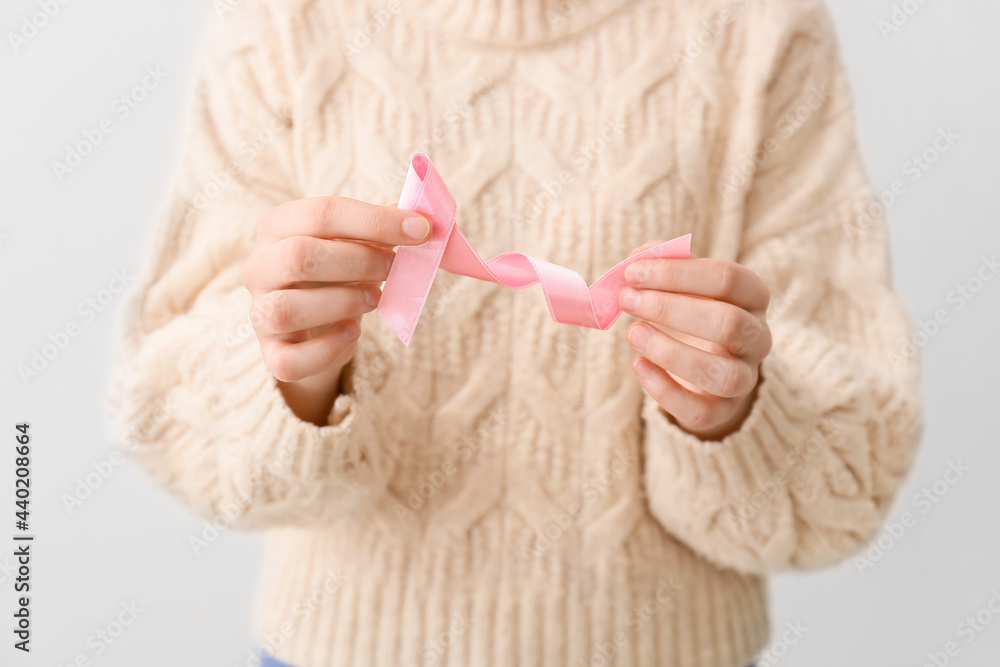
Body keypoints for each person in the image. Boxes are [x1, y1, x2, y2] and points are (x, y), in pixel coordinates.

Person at [107, 0, 922, 664]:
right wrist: (292, 375)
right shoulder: (282, 23)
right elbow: (164, 404)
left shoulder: (762, 30)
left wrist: (738, 412)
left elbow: (853, 473)